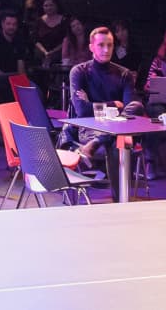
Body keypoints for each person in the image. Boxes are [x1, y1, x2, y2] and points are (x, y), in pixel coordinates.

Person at [62, 26, 145, 201]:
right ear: (91, 47)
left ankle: (97, 142)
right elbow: (82, 110)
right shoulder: (79, 72)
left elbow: (130, 109)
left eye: (110, 45)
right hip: (89, 129)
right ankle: (120, 201)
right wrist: (114, 104)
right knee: (117, 140)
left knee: (136, 108)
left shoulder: (124, 74)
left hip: (118, 130)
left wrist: (92, 104)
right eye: (101, 45)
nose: (106, 50)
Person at [0, 10, 29, 75]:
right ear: (2, 24)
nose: (11, 27)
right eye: (8, 24)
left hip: (15, 76)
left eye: (14, 24)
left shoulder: (19, 40)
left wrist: (21, 79)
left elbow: (21, 68)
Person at [32, 0, 67, 65]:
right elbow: (35, 39)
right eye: (46, 6)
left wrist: (52, 52)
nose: (48, 8)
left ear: (56, 6)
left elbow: (66, 39)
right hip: (41, 53)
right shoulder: (39, 21)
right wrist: (45, 52)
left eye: (51, 5)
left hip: (59, 52)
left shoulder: (64, 20)